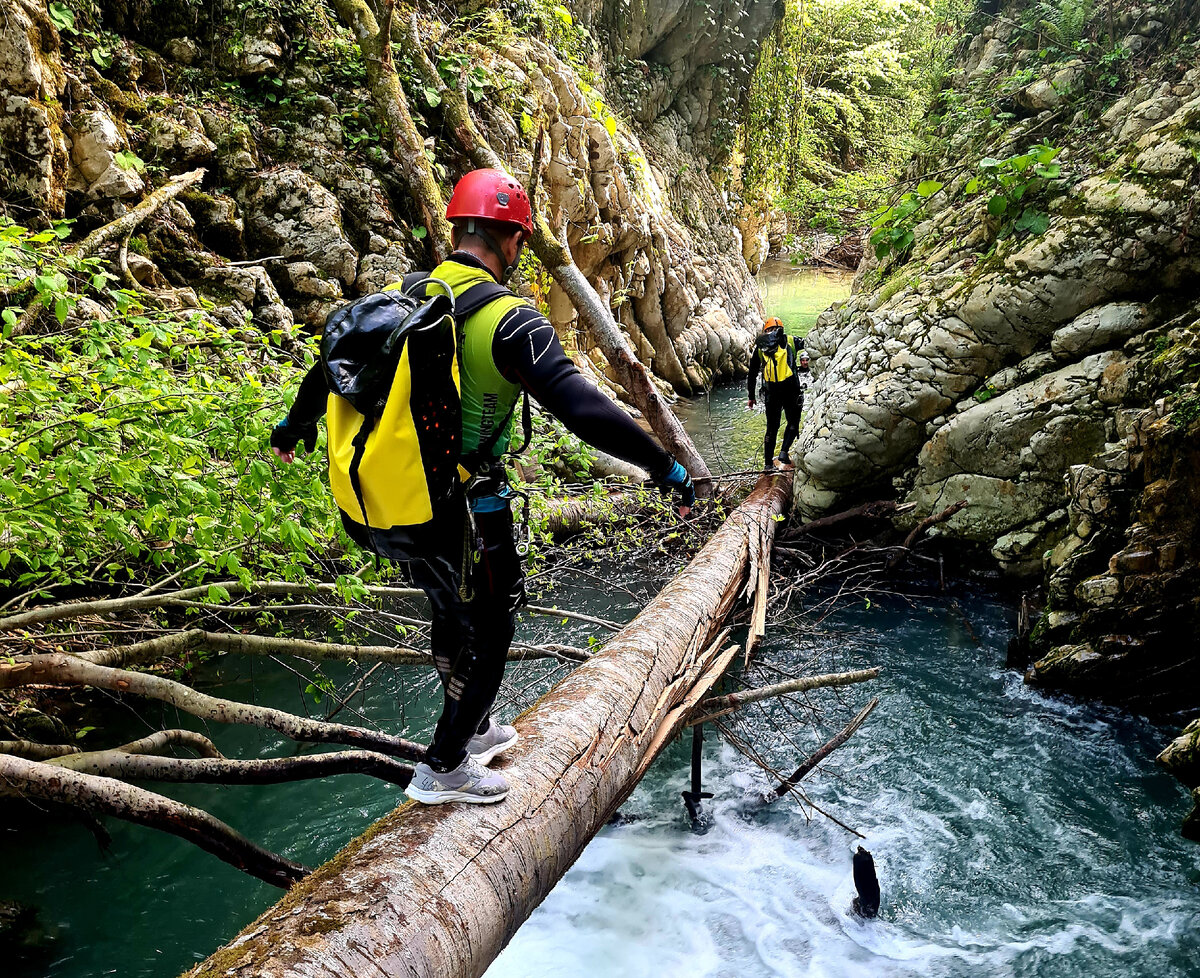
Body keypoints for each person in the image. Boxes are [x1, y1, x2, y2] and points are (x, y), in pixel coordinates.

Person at [270, 168, 695, 805]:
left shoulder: (405, 293)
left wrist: (294, 426)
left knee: (450, 611)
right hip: (460, 504)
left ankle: (468, 734)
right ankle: (442, 767)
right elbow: (580, 408)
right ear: (511, 240)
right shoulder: (510, 321)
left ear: (458, 230)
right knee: (492, 631)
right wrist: (662, 464)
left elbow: (331, 365)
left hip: (390, 502)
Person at [747, 317, 803, 468]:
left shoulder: (760, 348)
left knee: (771, 429)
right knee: (793, 422)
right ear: (781, 329)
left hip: (771, 393)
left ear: (765, 331)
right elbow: (810, 344)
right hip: (791, 390)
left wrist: (751, 396)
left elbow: (752, 373)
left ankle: (767, 466)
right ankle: (784, 452)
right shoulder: (790, 341)